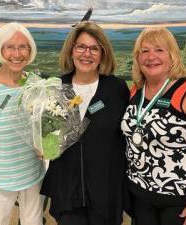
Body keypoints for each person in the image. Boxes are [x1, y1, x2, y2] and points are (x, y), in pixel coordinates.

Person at [40, 21, 130, 225]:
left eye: (94, 48)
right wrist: (44, 146)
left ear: (103, 53)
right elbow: (49, 140)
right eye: (81, 46)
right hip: (67, 191)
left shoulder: (117, 89)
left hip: (106, 192)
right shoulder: (57, 87)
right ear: (71, 51)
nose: (86, 54)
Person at [121, 26, 186, 225]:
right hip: (140, 196)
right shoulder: (136, 90)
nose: (151, 56)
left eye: (159, 50)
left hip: (180, 200)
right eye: (144, 51)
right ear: (138, 58)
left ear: (172, 55)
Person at [0, 22, 45, 225]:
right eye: (10, 47)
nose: (17, 53)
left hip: (33, 174)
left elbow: (40, 124)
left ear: (30, 50)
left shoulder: (34, 83)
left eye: (23, 47)